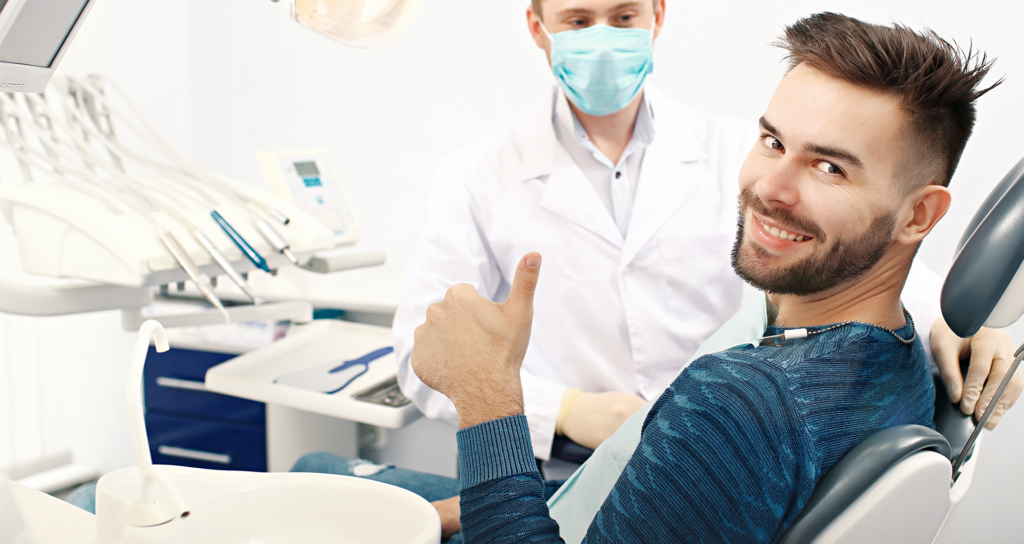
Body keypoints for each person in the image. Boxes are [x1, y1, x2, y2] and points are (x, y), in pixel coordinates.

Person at [410, 12, 1004, 542]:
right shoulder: (894, 357)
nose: (770, 187)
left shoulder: (739, 404)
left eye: (829, 167)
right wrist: (540, 450)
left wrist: (487, 394)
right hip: (608, 483)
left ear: (919, 215)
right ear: (537, 27)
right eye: (772, 141)